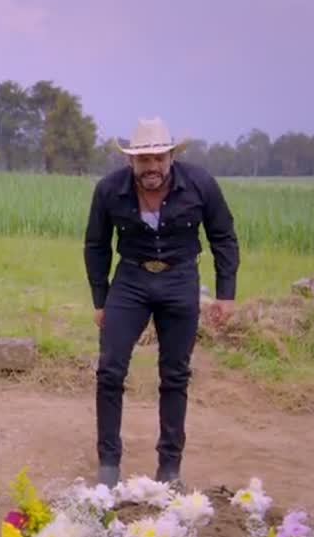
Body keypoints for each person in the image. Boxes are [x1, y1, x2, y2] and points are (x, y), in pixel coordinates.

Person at [83, 117, 240, 488]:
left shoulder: (200, 184)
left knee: (175, 375)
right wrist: (100, 301)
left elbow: (223, 237)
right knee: (109, 370)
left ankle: (169, 469)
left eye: (158, 158)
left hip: (180, 279)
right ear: (131, 161)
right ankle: (108, 465)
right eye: (143, 159)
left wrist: (225, 294)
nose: (151, 166)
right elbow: (96, 245)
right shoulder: (108, 190)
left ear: (171, 157)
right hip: (131, 280)